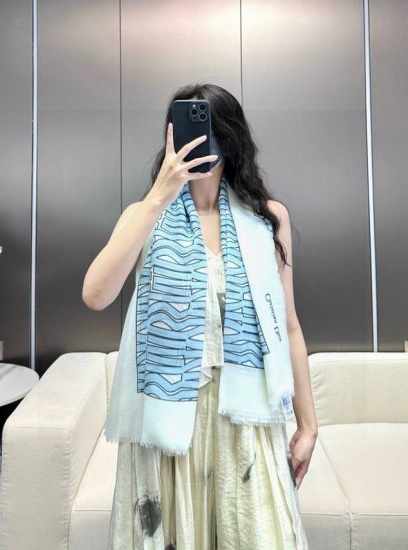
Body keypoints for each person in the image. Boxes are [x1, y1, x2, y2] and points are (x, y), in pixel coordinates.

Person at [83, 83, 317, 549]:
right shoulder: (144, 215)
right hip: (168, 424)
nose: (198, 140)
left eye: (208, 128)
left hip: (245, 416)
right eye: (187, 128)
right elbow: (95, 295)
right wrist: (159, 197)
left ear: (229, 138)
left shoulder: (267, 219)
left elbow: (288, 326)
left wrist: (308, 425)